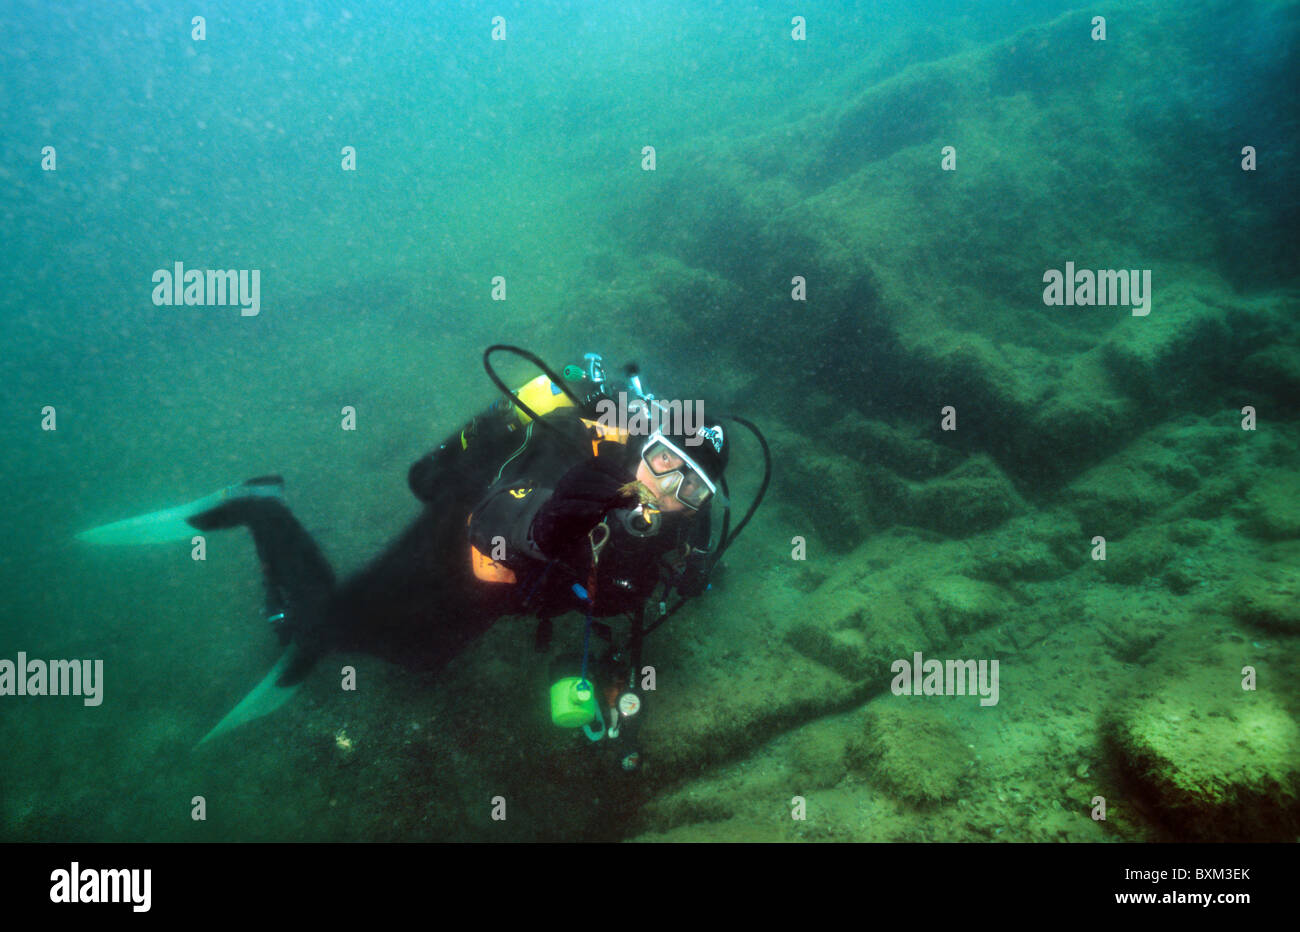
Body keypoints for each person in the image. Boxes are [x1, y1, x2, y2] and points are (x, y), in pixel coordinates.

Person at [83, 349, 756, 763]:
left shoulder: (678, 539)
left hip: (504, 589)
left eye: (686, 488)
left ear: (702, 503)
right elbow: (515, 513)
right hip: (457, 533)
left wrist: (604, 681)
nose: (662, 488)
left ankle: (319, 615)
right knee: (320, 627)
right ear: (647, 445)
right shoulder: (586, 460)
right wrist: (509, 543)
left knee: (421, 657)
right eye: (662, 462)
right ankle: (260, 505)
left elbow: (602, 605)